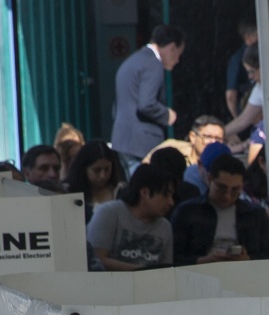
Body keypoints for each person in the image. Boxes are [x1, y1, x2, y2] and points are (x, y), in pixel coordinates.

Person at [171, 152, 269, 264]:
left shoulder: (256, 214)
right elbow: (175, 257)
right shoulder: (186, 212)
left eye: (235, 190)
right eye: (221, 188)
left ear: (242, 186)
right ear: (209, 179)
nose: (227, 195)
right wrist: (203, 261)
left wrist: (247, 259)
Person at [111, 24, 183, 171]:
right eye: (179, 55)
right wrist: (167, 115)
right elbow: (146, 104)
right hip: (141, 144)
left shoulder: (133, 60)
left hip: (122, 140)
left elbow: (118, 105)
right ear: (172, 48)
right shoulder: (153, 63)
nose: (177, 61)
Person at [86, 161, 177, 271]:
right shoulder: (109, 213)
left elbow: (166, 270)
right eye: (165, 195)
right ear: (144, 192)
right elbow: (97, 259)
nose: (171, 202)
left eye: (172, 196)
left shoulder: (165, 227)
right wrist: (142, 272)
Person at [64, 140, 127, 224]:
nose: (103, 175)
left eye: (107, 169)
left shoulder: (120, 191)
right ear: (83, 169)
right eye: (97, 170)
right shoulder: (68, 192)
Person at [223, 16, 258, 117]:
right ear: (248, 37)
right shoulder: (237, 60)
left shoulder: (268, 52)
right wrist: (238, 119)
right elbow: (231, 96)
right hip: (248, 115)